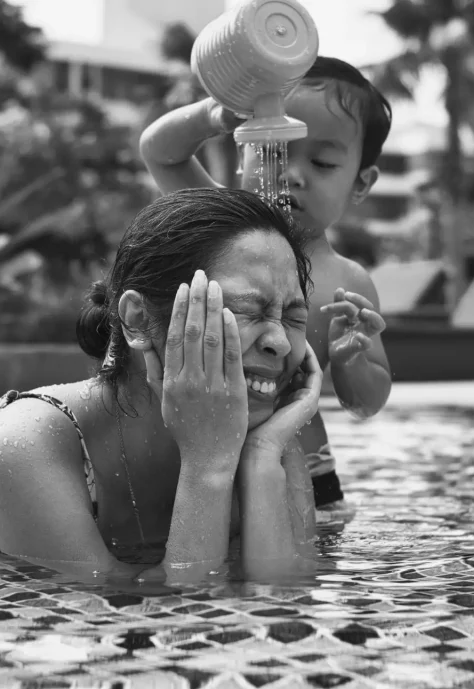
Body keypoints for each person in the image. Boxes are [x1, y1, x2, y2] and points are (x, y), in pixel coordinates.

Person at [0, 188, 324, 582]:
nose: (281, 342)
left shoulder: (264, 432)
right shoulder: (25, 444)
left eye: (293, 317)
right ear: (138, 319)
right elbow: (173, 619)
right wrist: (209, 462)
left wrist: (261, 455)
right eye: (248, 310)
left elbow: (284, 594)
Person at [139, 56, 395, 525]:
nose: (292, 174)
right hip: (192, 466)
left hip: (304, 474)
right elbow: (159, 150)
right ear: (242, 154)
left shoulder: (349, 282)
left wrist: (353, 359)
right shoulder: (213, 223)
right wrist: (215, 116)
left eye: (322, 162)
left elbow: (367, 403)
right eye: (273, 147)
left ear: (361, 183)